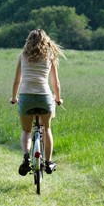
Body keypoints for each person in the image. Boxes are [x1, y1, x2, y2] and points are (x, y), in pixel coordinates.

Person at [10, 29, 64, 176]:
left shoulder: (22, 56)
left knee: (27, 131)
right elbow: (56, 83)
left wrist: (14, 98)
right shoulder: (50, 56)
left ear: (28, 41)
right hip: (44, 96)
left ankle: (26, 157)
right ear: (45, 41)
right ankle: (48, 162)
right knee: (46, 129)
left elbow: (17, 81)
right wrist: (58, 99)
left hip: (26, 97)